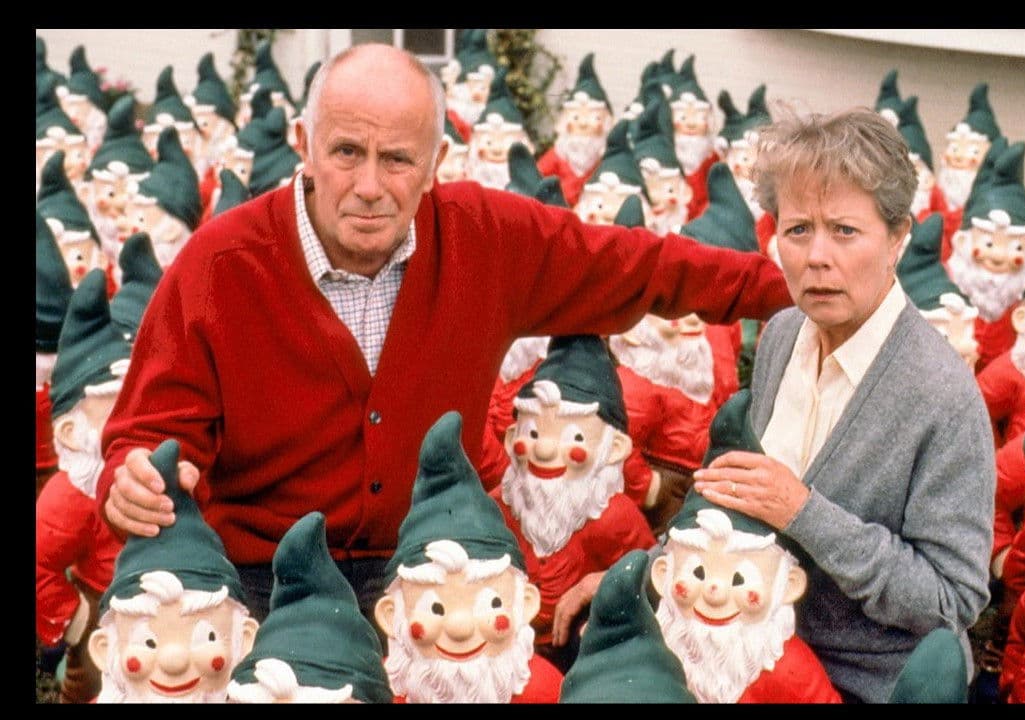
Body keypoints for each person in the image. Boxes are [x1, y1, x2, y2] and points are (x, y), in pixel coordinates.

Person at [97, 43, 791, 624]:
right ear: (304, 147)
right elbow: (148, 434)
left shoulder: (484, 238)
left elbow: (642, 267)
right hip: (264, 576)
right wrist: (136, 478)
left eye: (398, 159)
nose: (370, 185)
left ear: (436, 163)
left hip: (434, 560)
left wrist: (799, 292)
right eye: (346, 152)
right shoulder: (219, 266)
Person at [691, 106, 994, 703]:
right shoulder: (783, 334)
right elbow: (743, 495)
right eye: (798, 229)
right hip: (754, 648)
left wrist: (805, 513)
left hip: (868, 683)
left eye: (845, 231)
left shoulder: (943, 395)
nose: (816, 256)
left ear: (898, 238)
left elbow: (951, 601)